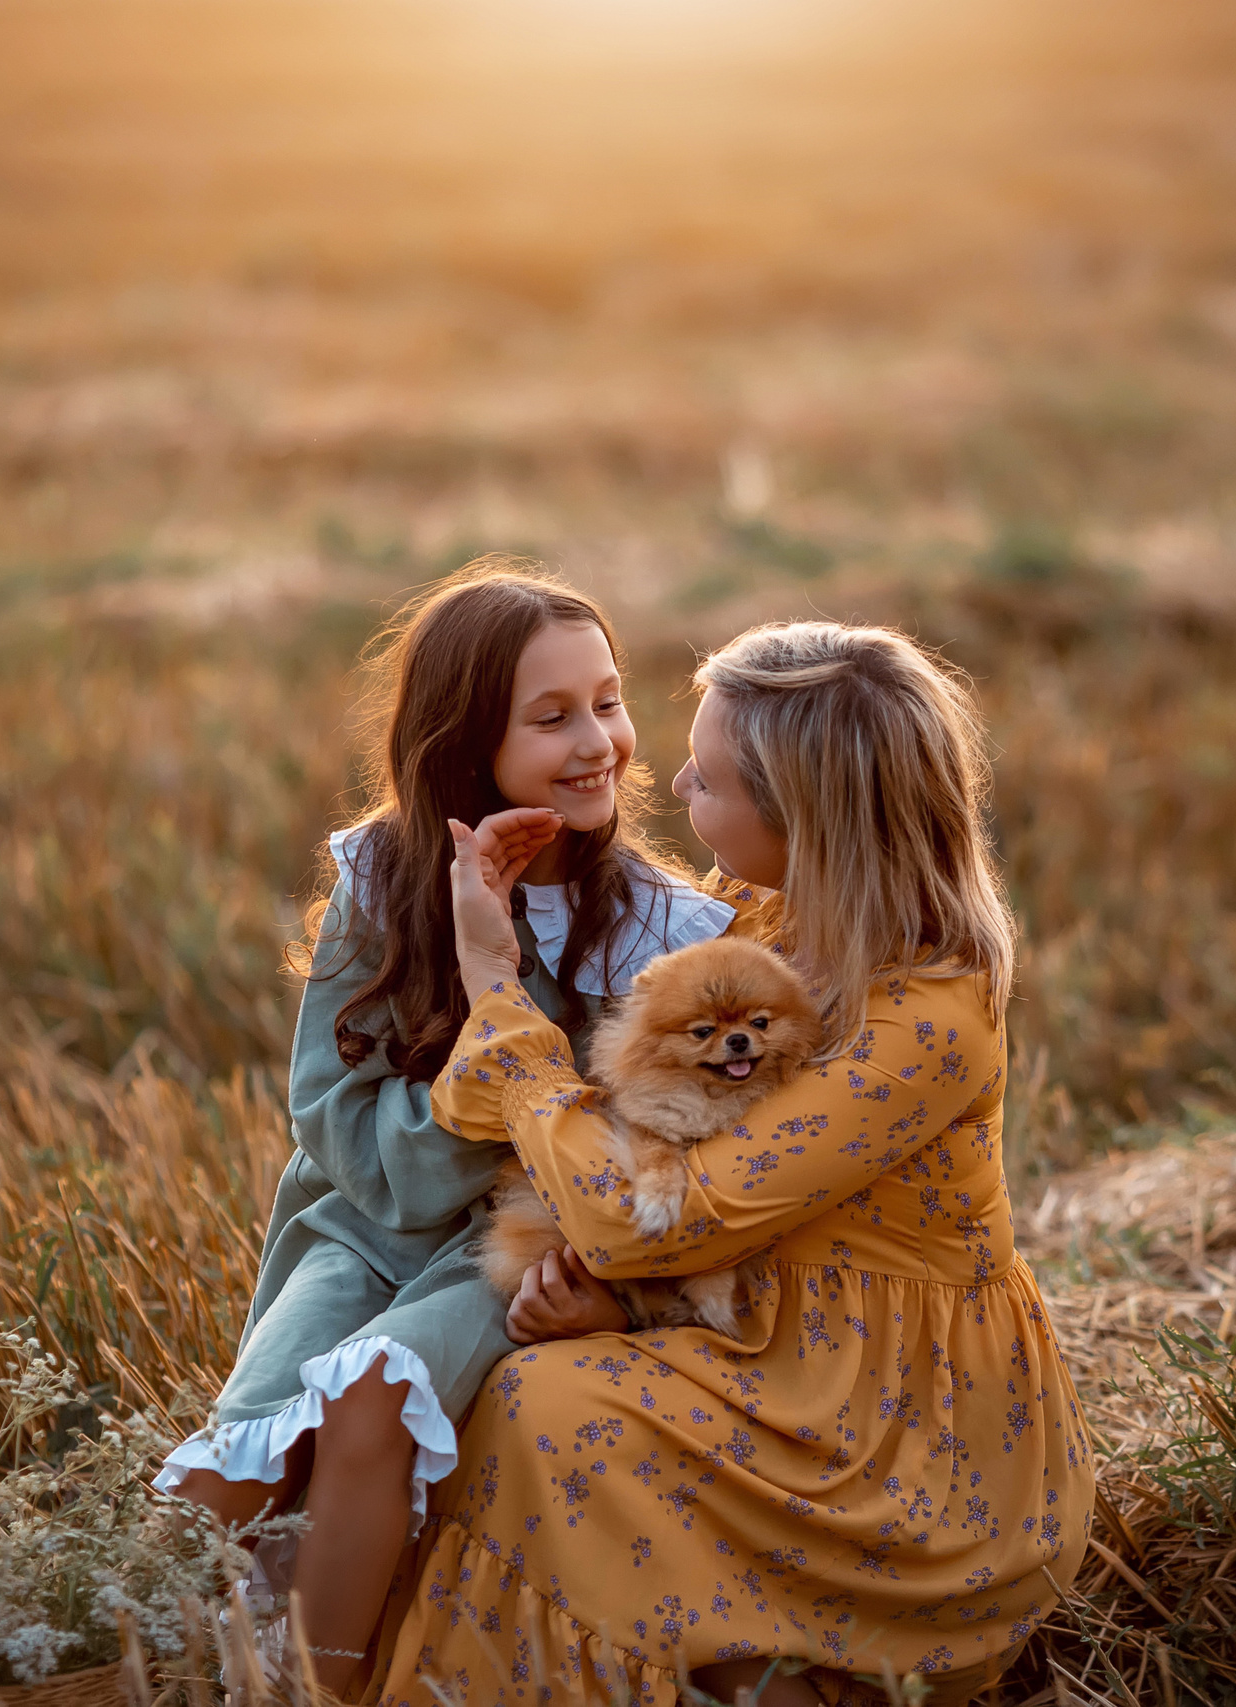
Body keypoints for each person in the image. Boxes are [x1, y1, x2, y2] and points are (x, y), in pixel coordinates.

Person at [373, 620, 1094, 1705]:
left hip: (888, 1432)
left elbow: (654, 1215)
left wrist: (496, 988)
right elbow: (649, 1133)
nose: (674, 784)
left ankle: (760, 1671)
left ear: (804, 814)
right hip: (755, 1344)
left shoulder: (928, 1018)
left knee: (553, 1413)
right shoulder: (761, 923)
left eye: (706, 779)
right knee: (526, 1397)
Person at [154, 562, 732, 1698]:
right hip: (365, 1229)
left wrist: (610, 1285)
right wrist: (479, 1038)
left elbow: (667, 1146)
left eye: (608, 701)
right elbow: (340, 1124)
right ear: (465, 743)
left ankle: (320, 1689)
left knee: (373, 1399)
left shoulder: (665, 928)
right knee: (226, 1473)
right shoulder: (379, 880)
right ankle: (127, 1662)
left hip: (512, 1245)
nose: (598, 743)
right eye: (551, 717)